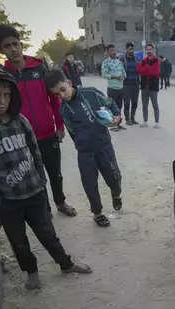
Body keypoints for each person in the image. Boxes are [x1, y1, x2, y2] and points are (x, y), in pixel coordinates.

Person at [0, 66, 92, 290]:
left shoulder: (20, 120)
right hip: (7, 201)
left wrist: (41, 181)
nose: (2, 101)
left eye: (7, 95)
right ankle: (31, 273)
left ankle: (65, 263)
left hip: (34, 192)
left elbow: (35, 151)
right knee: (19, 242)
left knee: (48, 233)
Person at [0, 24, 77, 217]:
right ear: (1, 50)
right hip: (22, 139)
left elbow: (54, 99)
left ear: (21, 44)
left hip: (48, 133)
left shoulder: (39, 67)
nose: (13, 49)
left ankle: (61, 202)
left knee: (55, 173)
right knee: (34, 177)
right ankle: (43, 208)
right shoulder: (3, 75)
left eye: (15, 44)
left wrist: (60, 125)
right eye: (7, 46)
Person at [45, 69, 124, 228]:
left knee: (114, 178)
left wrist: (116, 116)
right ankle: (98, 213)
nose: (61, 96)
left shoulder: (90, 93)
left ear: (69, 83)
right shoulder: (64, 110)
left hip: (104, 147)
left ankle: (116, 194)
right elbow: (72, 130)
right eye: (56, 94)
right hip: (85, 153)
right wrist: (81, 144)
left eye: (62, 90)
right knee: (89, 184)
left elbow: (111, 104)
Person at [101, 44, 126, 131]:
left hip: (120, 88)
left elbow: (124, 73)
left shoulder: (119, 63)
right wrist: (115, 77)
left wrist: (122, 77)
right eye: (111, 51)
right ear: (108, 52)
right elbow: (104, 75)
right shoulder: (106, 63)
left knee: (119, 107)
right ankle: (111, 124)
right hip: (112, 88)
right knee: (111, 107)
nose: (113, 52)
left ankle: (118, 124)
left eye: (114, 50)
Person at [137, 43, 160, 129]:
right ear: (146, 50)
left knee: (155, 105)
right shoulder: (143, 60)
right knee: (144, 105)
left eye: (150, 49)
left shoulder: (156, 61)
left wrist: (145, 69)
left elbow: (155, 72)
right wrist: (148, 68)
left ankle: (157, 122)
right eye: (147, 49)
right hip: (144, 87)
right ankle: (145, 121)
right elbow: (139, 70)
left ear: (153, 50)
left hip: (153, 87)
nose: (149, 51)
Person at [120, 42, 140, 126]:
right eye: (130, 49)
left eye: (132, 49)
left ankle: (132, 118)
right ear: (126, 50)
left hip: (135, 83)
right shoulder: (122, 59)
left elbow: (139, 69)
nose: (131, 50)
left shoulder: (136, 58)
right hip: (126, 84)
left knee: (135, 102)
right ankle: (127, 119)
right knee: (127, 102)